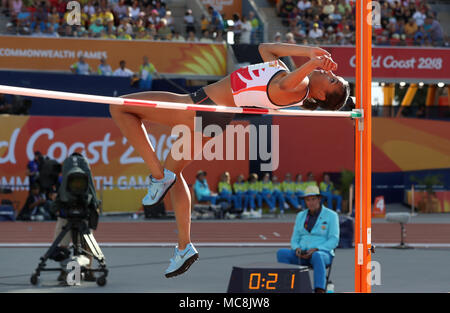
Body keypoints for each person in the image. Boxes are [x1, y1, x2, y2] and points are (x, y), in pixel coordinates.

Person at [109, 43, 350, 278]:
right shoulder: (296, 79)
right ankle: (184, 247)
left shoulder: (297, 85)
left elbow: (286, 82)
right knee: (176, 173)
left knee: (120, 108)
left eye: (331, 80)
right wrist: (308, 51)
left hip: (200, 105)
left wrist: (311, 63)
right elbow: (266, 49)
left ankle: (158, 177)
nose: (327, 72)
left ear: (320, 94)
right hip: (216, 115)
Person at [276, 185, 339, 293]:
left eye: (313, 199)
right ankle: (288, 287)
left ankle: (319, 289)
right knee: (281, 253)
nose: (311, 202)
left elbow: (334, 240)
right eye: (308, 200)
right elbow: (295, 238)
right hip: (302, 254)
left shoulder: (331, 215)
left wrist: (317, 249)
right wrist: (297, 249)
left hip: (322, 254)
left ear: (319, 199)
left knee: (317, 256)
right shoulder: (300, 215)